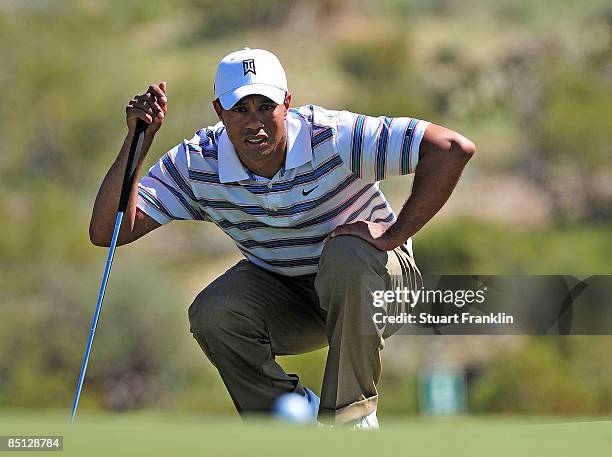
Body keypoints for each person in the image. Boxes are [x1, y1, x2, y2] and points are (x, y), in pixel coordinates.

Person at [89, 48, 476, 428]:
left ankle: (351, 419)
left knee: (345, 253)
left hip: (378, 287)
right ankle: (291, 422)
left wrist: (396, 232)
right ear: (219, 112)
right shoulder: (197, 163)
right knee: (214, 312)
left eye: (265, 107)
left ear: (287, 103)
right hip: (292, 297)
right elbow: (108, 231)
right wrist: (137, 144)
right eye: (240, 109)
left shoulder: (334, 137)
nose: (254, 122)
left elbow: (451, 148)